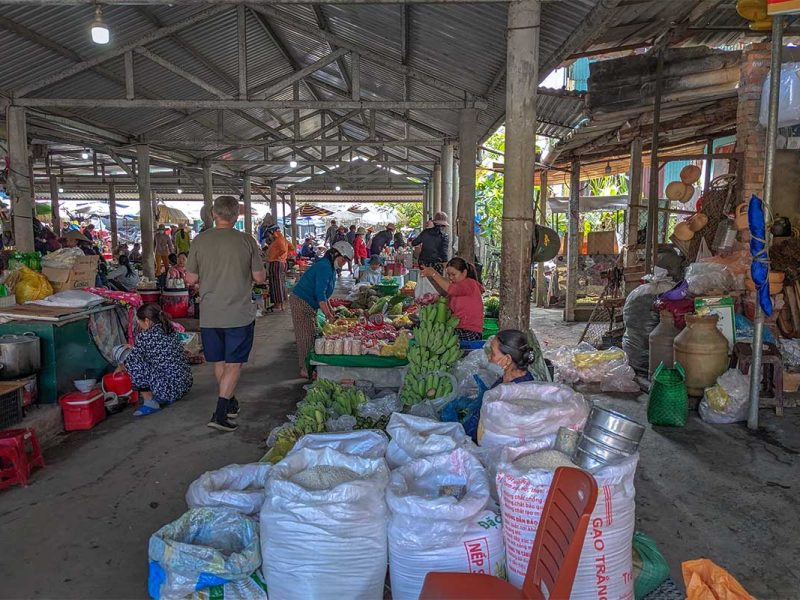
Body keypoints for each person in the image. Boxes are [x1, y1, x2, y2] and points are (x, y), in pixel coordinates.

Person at [186, 195, 266, 432]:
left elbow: (190, 278)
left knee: (219, 361)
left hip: (210, 313)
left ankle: (229, 401)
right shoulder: (246, 241)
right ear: (237, 215)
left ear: (213, 214)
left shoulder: (199, 240)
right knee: (234, 363)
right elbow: (260, 277)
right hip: (238, 314)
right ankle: (220, 413)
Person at [289, 241, 353, 378]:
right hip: (301, 301)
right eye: (343, 260)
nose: (343, 263)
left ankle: (311, 366)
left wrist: (331, 312)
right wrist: (329, 315)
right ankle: (305, 370)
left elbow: (326, 295)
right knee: (305, 336)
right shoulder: (324, 267)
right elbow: (320, 295)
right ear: (336, 254)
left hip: (308, 302)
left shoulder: (330, 268)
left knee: (312, 333)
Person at [119, 303, 193, 417]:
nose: (138, 323)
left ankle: (149, 402)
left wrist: (121, 365)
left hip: (170, 390)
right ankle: (163, 394)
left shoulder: (144, 337)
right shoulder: (169, 330)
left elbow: (133, 359)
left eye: (139, 320)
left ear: (147, 321)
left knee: (132, 361)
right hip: (184, 385)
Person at [421, 256, 484, 341]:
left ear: (464, 273)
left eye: (453, 274)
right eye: (449, 275)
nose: (450, 277)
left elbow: (452, 290)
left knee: (437, 338)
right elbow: (448, 300)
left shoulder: (470, 284)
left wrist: (433, 274)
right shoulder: (458, 285)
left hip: (470, 331)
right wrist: (435, 299)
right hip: (458, 327)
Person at [265, 224, 289, 311]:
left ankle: (278, 304)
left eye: (269, 234)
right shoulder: (282, 239)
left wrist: (276, 256)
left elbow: (283, 250)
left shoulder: (278, 240)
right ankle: (280, 303)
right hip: (280, 263)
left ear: (273, 232)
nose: (269, 236)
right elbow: (291, 248)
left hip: (276, 263)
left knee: (276, 284)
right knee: (279, 283)